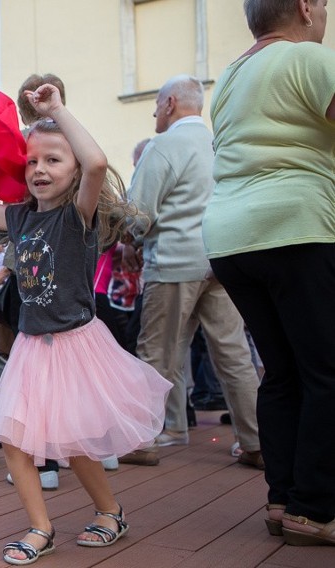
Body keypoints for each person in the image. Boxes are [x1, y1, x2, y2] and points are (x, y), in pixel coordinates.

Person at [0, 83, 171, 564]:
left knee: (77, 441)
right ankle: (40, 527)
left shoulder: (77, 216)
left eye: (53, 160)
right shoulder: (22, 218)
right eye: (32, 161)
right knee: (15, 440)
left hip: (76, 344)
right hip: (33, 346)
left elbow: (96, 163)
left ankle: (110, 512)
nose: (39, 170)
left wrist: (55, 112)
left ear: (72, 172)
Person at [202, 0, 335, 546]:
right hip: (296, 224)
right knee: (327, 372)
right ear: (305, 7)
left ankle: (283, 499)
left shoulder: (231, 75)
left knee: (283, 372)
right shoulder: (308, 57)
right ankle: (316, 508)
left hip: (232, 237)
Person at [123, 75, 262, 469]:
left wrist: (128, 241)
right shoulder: (220, 144)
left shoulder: (164, 146)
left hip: (174, 261)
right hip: (220, 258)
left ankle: (145, 438)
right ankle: (256, 441)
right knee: (233, 354)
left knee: (157, 352)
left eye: (156, 104)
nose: (153, 111)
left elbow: (140, 213)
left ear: (169, 104)